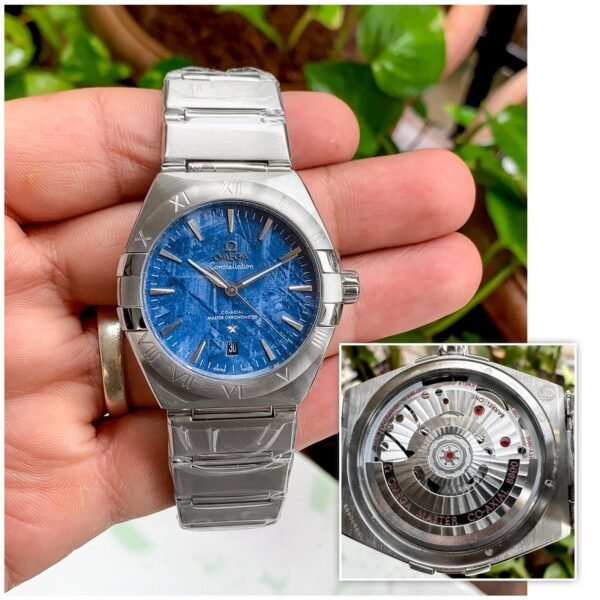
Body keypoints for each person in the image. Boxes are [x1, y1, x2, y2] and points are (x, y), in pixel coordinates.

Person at [4, 87, 481, 589]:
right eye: (226, 286)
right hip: (212, 362)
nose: (231, 290)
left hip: (222, 357)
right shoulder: (180, 218)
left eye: (235, 287)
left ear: (340, 289)